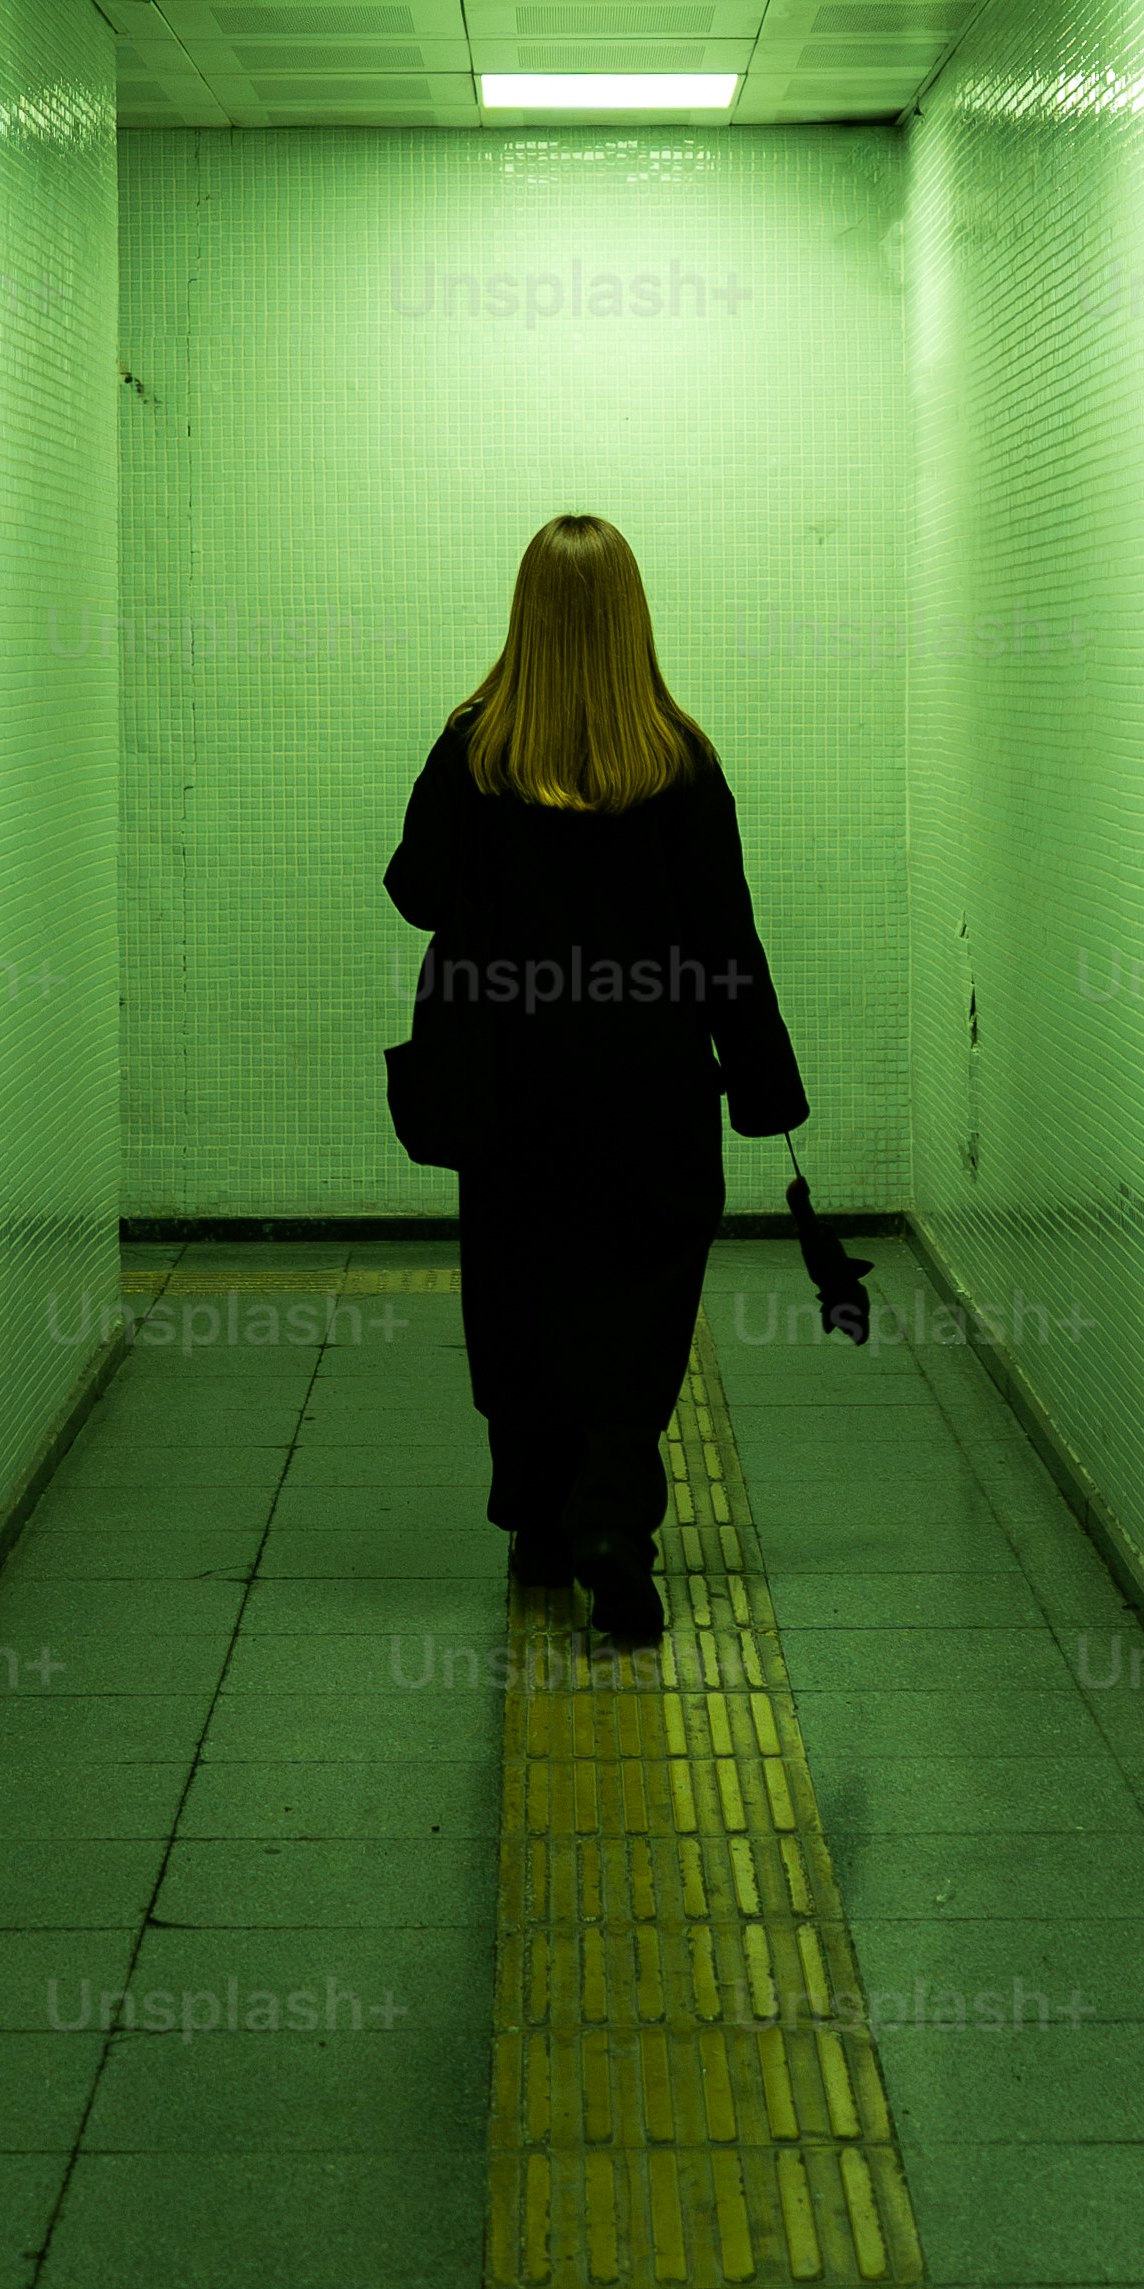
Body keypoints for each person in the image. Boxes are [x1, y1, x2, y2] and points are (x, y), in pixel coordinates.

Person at [385, 514, 807, 1658]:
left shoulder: (475, 748)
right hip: (649, 1086)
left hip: (509, 1086)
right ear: (631, 617)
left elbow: (414, 892)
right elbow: (727, 938)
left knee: (519, 1292)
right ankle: (613, 1523)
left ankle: (534, 1520)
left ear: (523, 614)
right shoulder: (677, 755)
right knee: (637, 1301)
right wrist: (766, 1085)